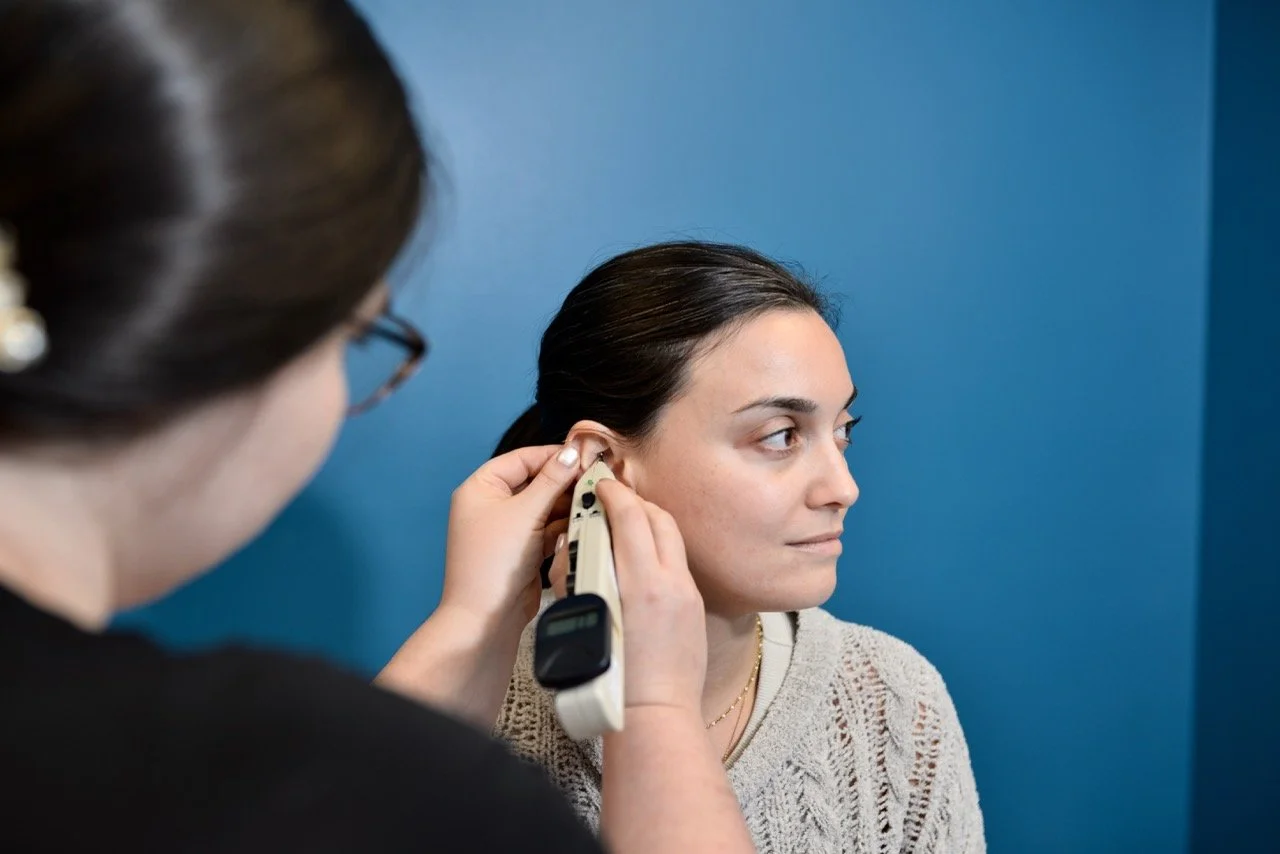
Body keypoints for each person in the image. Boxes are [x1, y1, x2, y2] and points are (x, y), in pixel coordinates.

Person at [0, 3, 754, 852]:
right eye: (358, 336)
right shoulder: (309, 779)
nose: (843, 488)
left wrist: (470, 622)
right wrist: (655, 709)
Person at [491, 241, 987, 853]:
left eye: (842, 434)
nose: (844, 488)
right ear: (605, 465)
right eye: (780, 436)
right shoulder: (474, 712)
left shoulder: (892, 701)